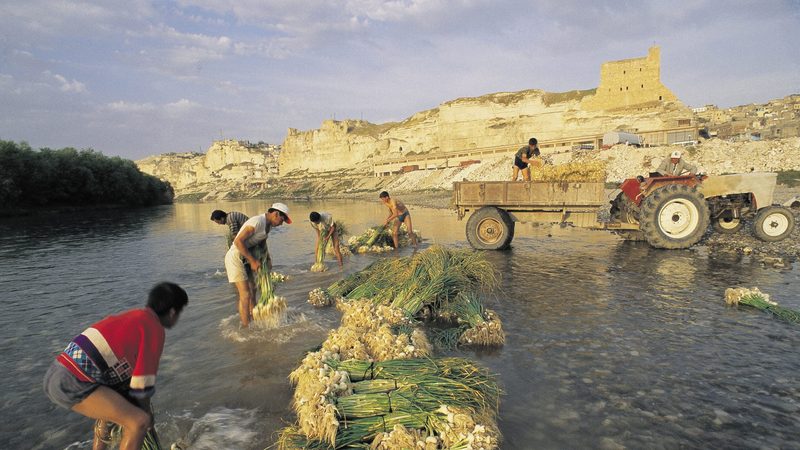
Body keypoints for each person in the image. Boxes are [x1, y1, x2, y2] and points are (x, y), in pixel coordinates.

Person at [43, 282, 189, 450]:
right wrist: (147, 416)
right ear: (172, 312)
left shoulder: (135, 317)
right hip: (72, 379)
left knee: (116, 410)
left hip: (58, 372)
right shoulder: (153, 328)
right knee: (138, 422)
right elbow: (141, 387)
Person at [225, 202, 291, 327]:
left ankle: (254, 318)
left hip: (245, 257)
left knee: (253, 289)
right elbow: (238, 241)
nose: (282, 223)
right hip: (235, 258)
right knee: (245, 294)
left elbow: (262, 243)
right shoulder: (258, 221)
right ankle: (246, 328)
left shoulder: (268, 226)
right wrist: (252, 261)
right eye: (282, 220)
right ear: (276, 214)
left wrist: (268, 258)